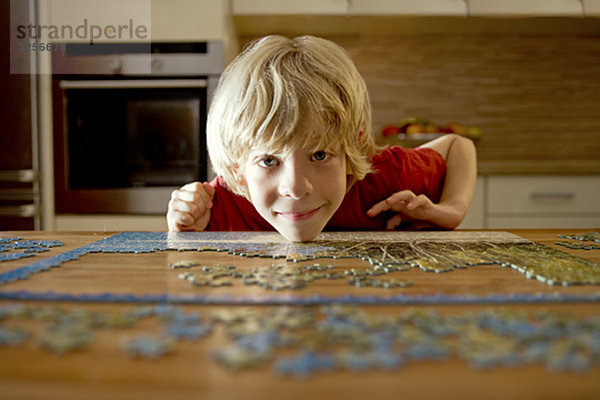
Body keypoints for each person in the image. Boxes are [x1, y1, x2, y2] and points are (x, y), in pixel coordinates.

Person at [167, 35, 476, 242]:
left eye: (319, 155)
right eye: (269, 160)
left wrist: (451, 209)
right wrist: (182, 225)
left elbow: (457, 146)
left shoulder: (384, 180)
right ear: (237, 170)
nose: (297, 187)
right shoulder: (218, 205)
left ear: (351, 151)